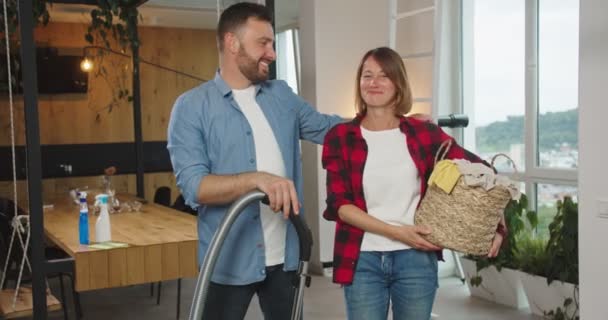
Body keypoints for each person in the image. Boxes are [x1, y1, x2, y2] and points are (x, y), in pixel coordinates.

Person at [167, 2, 341, 319]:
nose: (272, 53)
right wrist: (256, 179)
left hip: (286, 258)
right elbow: (195, 187)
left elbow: (330, 129)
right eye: (264, 43)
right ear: (232, 42)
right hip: (228, 261)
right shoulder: (192, 107)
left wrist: (391, 120)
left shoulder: (281, 95)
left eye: (273, 44)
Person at [321, 47, 506, 320]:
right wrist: (397, 232)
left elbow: (484, 173)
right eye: (367, 75)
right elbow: (340, 205)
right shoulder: (340, 136)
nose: (373, 82)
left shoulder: (423, 133)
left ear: (399, 84)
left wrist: (498, 226)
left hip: (416, 259)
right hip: (362, 259)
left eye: (384, 76)